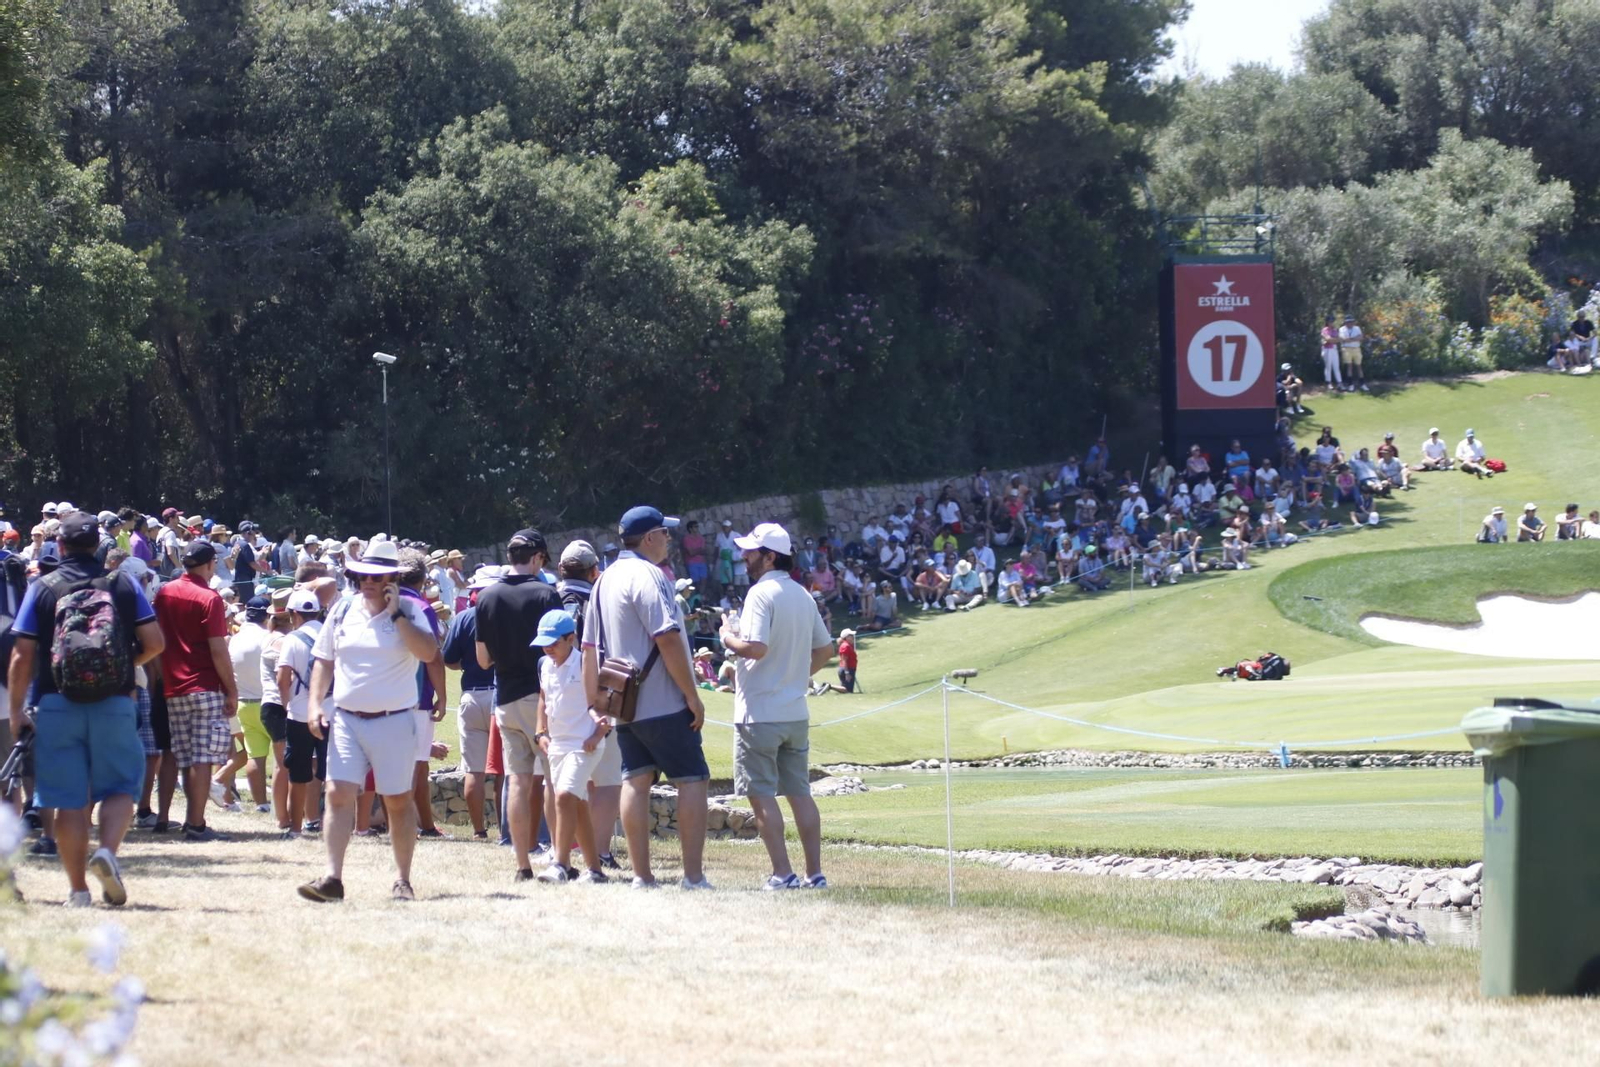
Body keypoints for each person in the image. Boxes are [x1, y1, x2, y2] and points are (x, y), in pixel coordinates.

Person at [7, 510, 165, 906]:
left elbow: (22, 654)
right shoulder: (121, 583)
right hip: (115, 700)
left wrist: (15, 711)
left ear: (59, 544)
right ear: (99, 544)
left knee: (66, 799)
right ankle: (107, 851)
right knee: (119, 788)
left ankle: (77, 891)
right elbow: (156, 642)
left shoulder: (42, 586)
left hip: (57, 701)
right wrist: (125, 666)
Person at [297, 539, 439, 903]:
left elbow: (427, 652)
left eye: (376, 577)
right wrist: (316, 703)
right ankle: (332, 878)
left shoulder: (410, 609)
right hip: (346, 718)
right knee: (338, 793)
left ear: (392, 577)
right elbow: (324, 660)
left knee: (396, 801)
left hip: (394, 720)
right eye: (363, 575)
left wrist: (395, 614)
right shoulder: (343, 609)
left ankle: (402, 879)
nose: (368, 582)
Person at [583, 505, 710, 890]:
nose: (669, 539)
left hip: (624, 704)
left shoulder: (603, 580)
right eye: (665, 533)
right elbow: (667, 637)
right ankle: (692, 876)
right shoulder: (650, 575)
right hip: (664, 699)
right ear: (650, 537)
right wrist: (692, 695)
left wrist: (595, 701)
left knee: (635, 781)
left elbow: (590, 647)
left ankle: (642, 876)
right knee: (692, 780)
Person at [719, 523, 834, 890]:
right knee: (800, 793)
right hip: (795, 711)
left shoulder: (760, 593)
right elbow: (825, 650)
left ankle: (783, 874)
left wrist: (726, 636)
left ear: (770, 556)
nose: (744, 556)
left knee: (762, 794)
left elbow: (755, 648)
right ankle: (814, 874)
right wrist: (799, 676)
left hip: (759, 714)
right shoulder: (802, 594)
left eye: (751, 552)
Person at [475, 529, 563, 881]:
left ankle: (521, 864)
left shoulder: (485, 597)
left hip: (505, 699)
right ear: (538, 557)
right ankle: (558, 857)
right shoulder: (546, 594)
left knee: (518, 780)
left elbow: (483, 660)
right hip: (539, 697)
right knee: (553, 780)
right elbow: (560, 652)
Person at [154, 540, 239, 842]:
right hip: (204, 684)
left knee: (185, 757)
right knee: (202, 758)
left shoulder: (165, 592)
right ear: (210, 563)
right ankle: (196, 823)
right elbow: (218, 648)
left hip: (173, 685)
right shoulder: (210, 598)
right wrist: (231, 690)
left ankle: (191, 820)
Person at [554, 540, 621, 869]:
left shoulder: (548, 599)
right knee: (608, 780)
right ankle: (599, 852)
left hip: (558, 704)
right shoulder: (600, 602)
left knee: (566, 781)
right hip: (597, 699)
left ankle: (564, 851)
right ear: (595, 571)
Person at [530, 609, 611, 883]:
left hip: (584, 744)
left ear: (571, 639)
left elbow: (605, 703)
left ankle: (560, 864)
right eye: (545, 643)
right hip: (557, 745)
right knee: (577, 805)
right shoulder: (543, 665)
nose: (548, 648)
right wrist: (540, 732)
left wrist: (597, 735)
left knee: (564, 796)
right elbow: (543, 699)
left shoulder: (586, 663)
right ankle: (596, 871)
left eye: (554, 643)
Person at [441, 567, 499, 839]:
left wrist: (468, 663)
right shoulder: (504, 616)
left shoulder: (463, 618)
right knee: (505, 771)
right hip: (501, 695)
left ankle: (479, 831)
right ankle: (507, 831)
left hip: (472, 695)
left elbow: (449, 659)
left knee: (473, 771)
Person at [275, 589, 327, 836]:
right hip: (331, 712)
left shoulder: (293, 639)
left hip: (300, 714)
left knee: (298, 773)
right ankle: (335, 827)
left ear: (294, 614)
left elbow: (282, 678)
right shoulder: (332, 634)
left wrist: (286, 704)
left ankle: (295, 828)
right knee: (335, 774)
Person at [225, 596, 276, 812]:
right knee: (282, 758)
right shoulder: (270, 638)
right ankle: (281, 804)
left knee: (255, 756)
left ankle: (261, 804)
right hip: (269, 703)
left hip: (243, 704)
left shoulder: (235, 639)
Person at [1338, 314, 1366, 392]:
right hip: (1346, 349)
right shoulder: (1342, 329)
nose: (1350, 323)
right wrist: (1354, 339)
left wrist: (1351, 339)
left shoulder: (1357, 328)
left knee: (1359, 366)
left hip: (1356, 348)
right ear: (1345, 322)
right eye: (1348, 322)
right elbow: (1342, 338)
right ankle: (1350, 384)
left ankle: (1362, 383)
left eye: (1351, 322)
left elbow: (1360, 337)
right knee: (1349, 366)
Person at [1319, 316, 1342, 390]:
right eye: (1330, 321)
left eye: (1332, 321)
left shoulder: (1335, 330)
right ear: (1327, 322)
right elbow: (1327, 339)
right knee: (1328, 366)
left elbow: (1338, 339)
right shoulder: (1324, 330)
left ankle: (1339, 382)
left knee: (1336, 366)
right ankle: (1328, 382)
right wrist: (1332, 340)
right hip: (1327, 349)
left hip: (1334, 349)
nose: (1331, 323)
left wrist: (1332, 340)